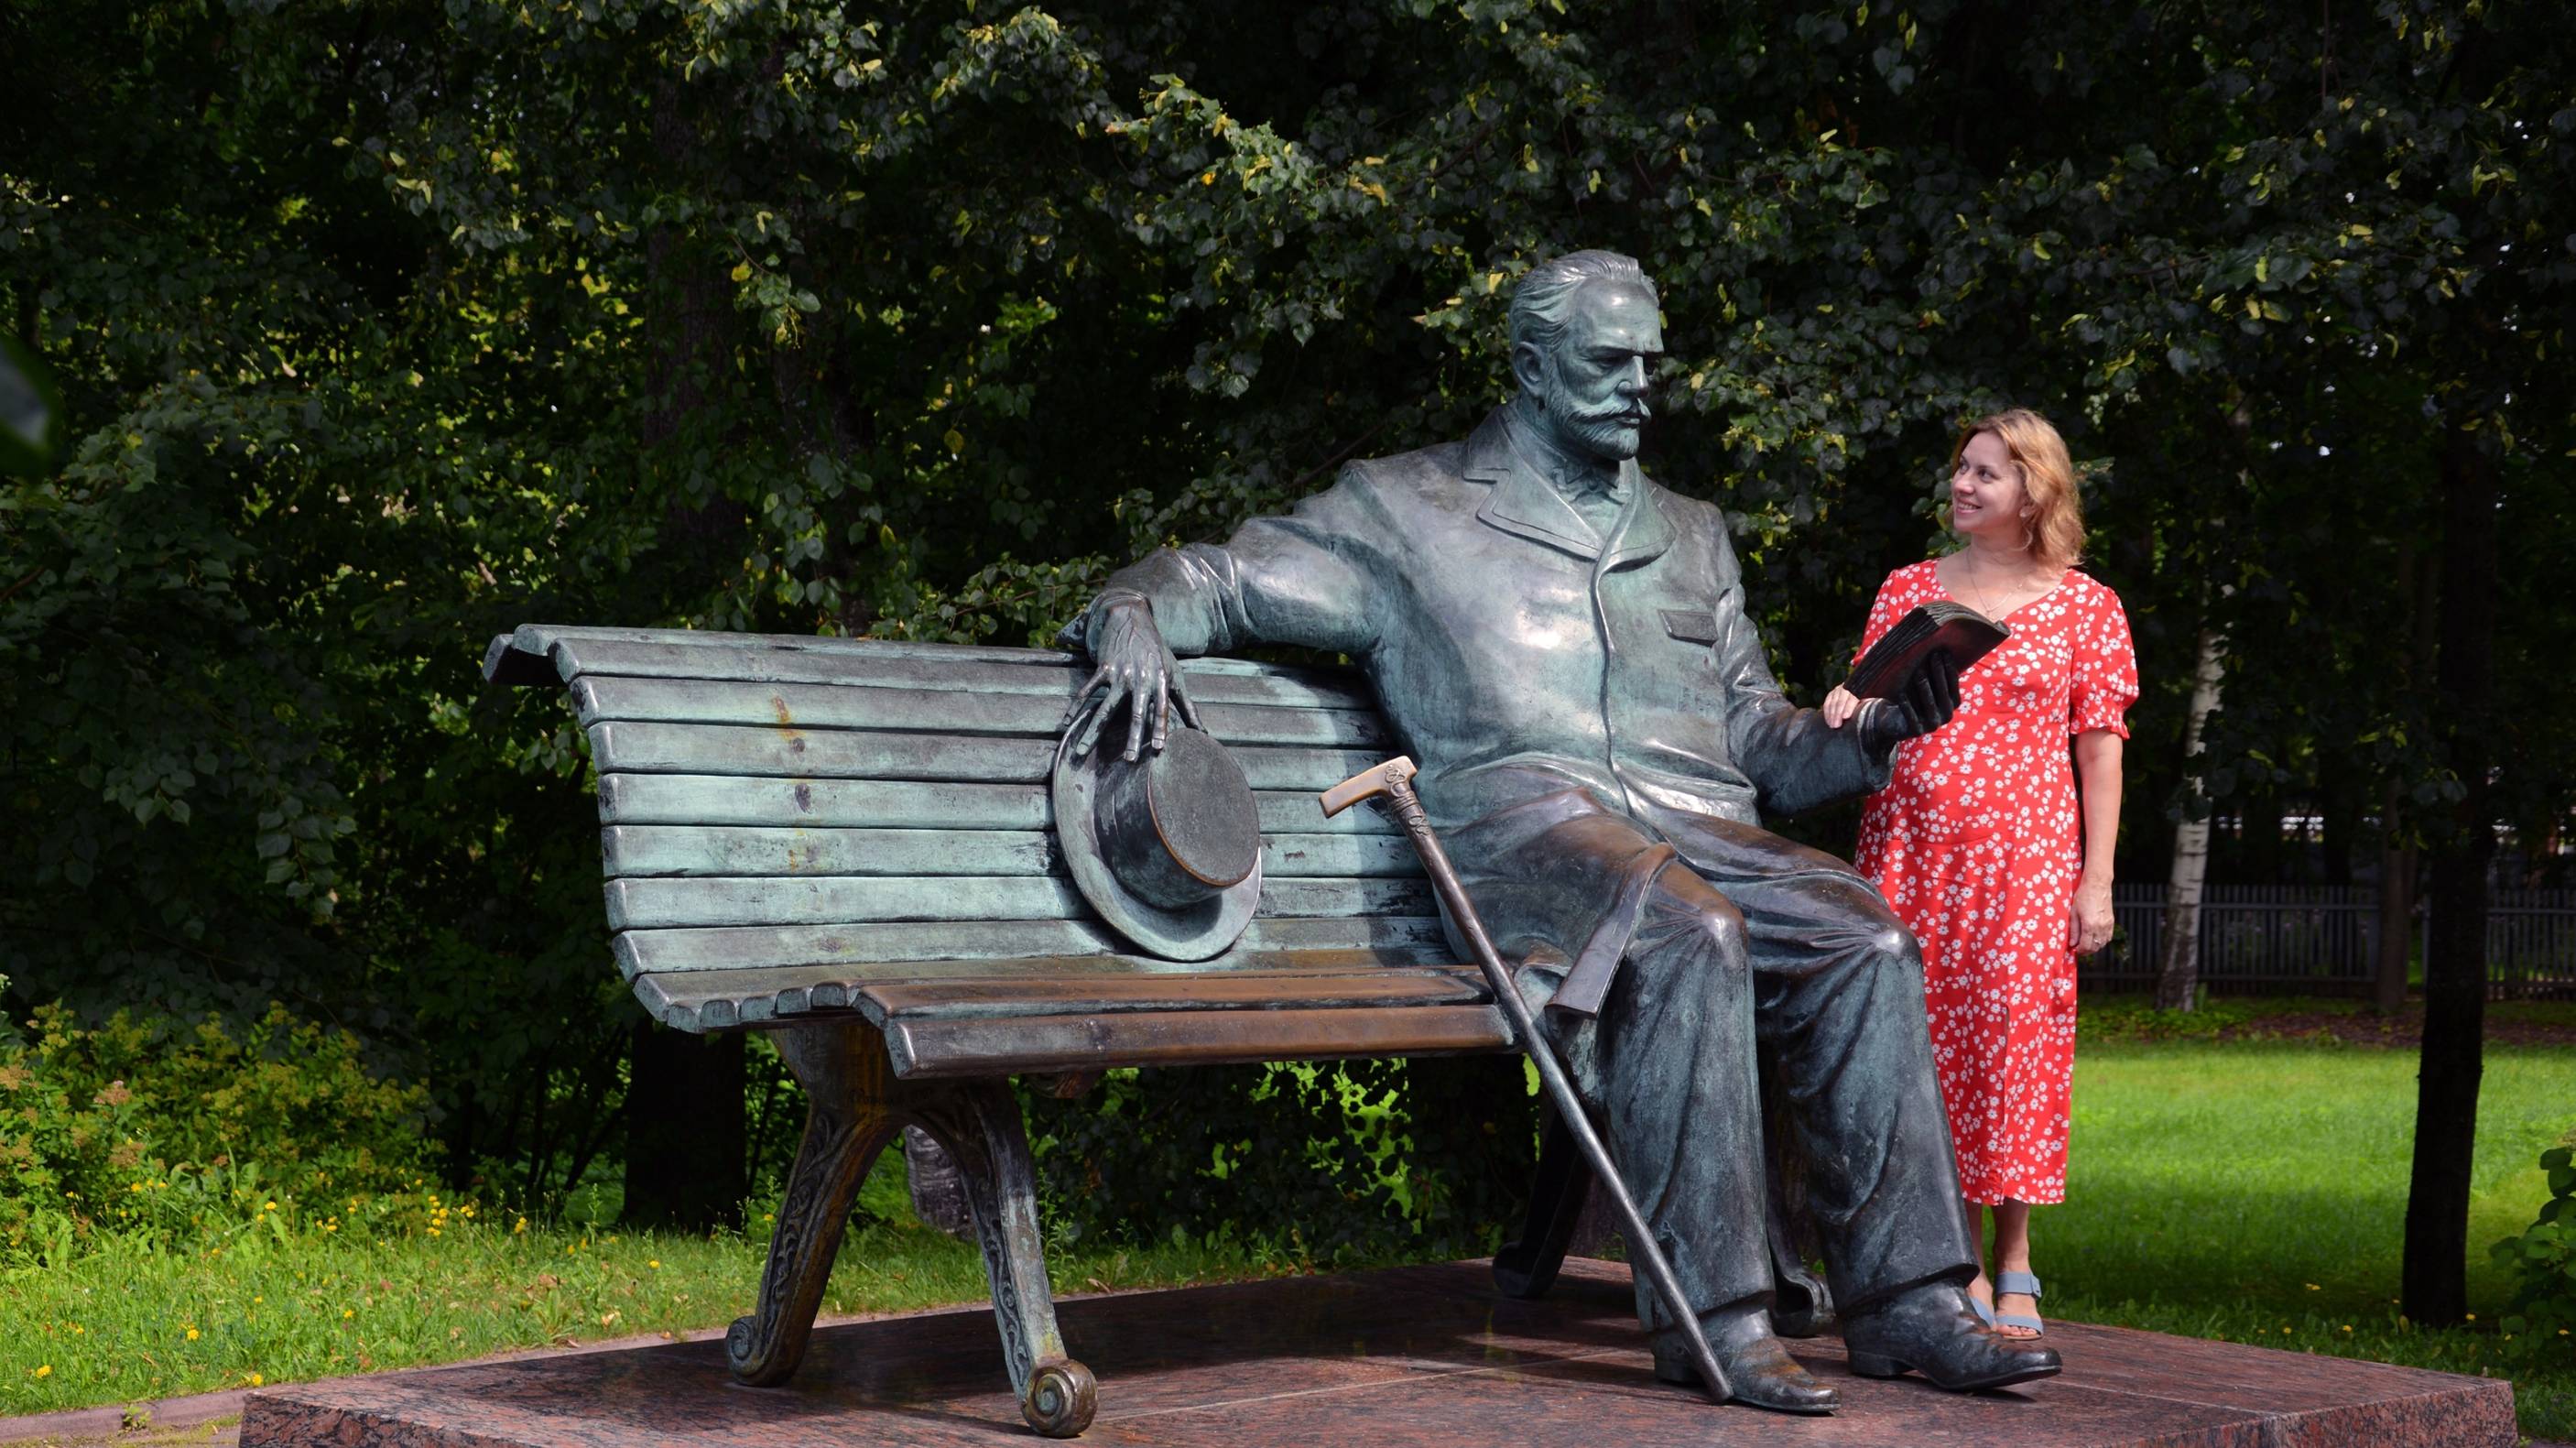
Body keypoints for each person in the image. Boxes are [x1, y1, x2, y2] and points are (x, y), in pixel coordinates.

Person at [1061, 250, 2060, 1416]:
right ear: (1531, 367)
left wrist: (1876, 732)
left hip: (1695, 822)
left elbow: (1754, 740)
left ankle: (1907, 1304)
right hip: (1521, 834)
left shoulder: (1690, 534)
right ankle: (1717, 1319)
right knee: (1690, 932)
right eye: (1607, 361)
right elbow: (1222, 583)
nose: (1639, 384)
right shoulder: (1405, 509)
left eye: (1649, 359)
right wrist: (1128, 609)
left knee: (1864, 935)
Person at [1822, 408, 2139, 1339]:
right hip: (1908, 853)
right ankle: (1942, 1262)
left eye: (1985, 474)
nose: (1962, 485)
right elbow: (1865, 699)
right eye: (1960, 469)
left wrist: (2098, 881)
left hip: (2026, 863)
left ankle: (2013, 1264)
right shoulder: (1908, 590)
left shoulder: (2086, 607)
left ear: (2032, 490)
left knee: (2011, 1047)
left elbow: (2099, 751)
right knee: (1914, 1048)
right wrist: (1846, 700)